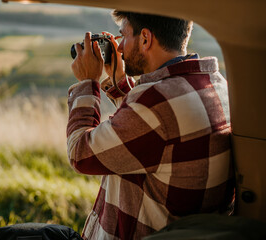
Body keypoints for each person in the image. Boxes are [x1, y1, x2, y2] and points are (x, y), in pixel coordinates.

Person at [67, 10, 234, 240]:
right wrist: (117, 82)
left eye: (123, 36)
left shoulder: (155, 102)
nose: (121, 48)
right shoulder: (214, 84)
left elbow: (80, 154)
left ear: (145, 38)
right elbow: (150, 132)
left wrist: (88, 82)